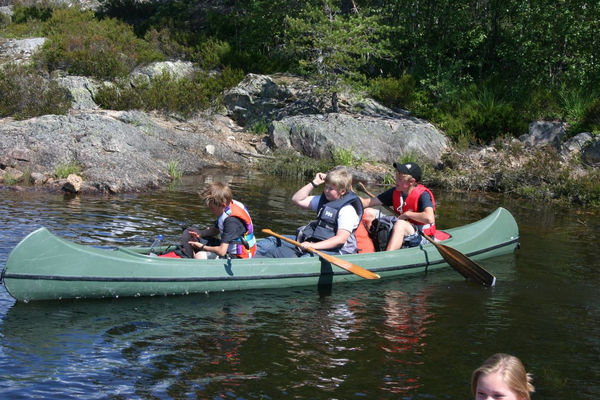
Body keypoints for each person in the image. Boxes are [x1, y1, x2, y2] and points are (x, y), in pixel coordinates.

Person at [256, 167, 364, 257]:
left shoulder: (347, 210)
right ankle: (246, 258)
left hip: (338, 251)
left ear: (343, 191)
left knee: (306, 258)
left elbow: (340, 239)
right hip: (314, 243)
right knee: (273, 241)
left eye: (331, 189)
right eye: (325, 187)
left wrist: (313, 246)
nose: (326, 191)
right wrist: (315, 183)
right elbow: (297, 199)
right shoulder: (324, 201)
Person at [360, 161, 447, 251]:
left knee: (400, 224)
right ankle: (371, 248)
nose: (396, 181)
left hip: (422, 236)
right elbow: (368, 202)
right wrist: (350, 197)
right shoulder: (396, 192)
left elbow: (429, 218)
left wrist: (408, 215)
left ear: (412, 182)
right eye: (397, 177)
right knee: (368, 213)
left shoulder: (423, 195)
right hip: (405, 227)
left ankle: (387, 256)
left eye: (400, 179)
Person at [183, 181, 257, 259]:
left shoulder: (231, 221)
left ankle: (194, 264)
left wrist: (202, 247)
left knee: (200, 256)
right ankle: (190, 259)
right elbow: (216, 230)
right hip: (226, 247)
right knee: (187, 233)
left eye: (212, 209)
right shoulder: (227, 206)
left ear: (223, 205)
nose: (211, 211)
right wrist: (201, 233)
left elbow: (222, 251)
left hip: (238, 256)